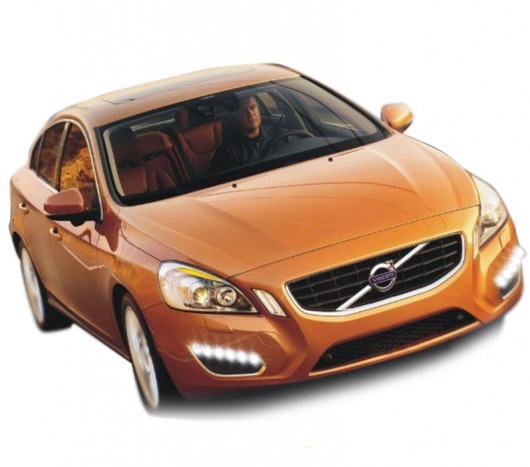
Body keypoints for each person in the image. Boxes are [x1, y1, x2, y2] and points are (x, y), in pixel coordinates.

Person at [211, 96, 269, 172]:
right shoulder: (228, 153)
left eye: (253, 107)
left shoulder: (275, 135)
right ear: (236, 116)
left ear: (258, 110)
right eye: (243, 111)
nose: (250, 114)